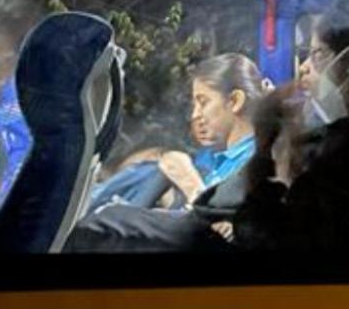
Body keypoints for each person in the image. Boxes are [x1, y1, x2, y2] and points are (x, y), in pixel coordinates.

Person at [230, 0, 349, 255]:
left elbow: (281, 242)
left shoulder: (340, 155)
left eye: (317, 55)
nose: (304, 68)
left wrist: (265, 157)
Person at [64, 54, 266, 252]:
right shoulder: (219, 158)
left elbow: (220, 224)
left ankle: (79, 215)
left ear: (235, 101)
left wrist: (191, 187)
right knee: (152, 171)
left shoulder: (257, 163)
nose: (195, 114)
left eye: (203, 102)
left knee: (102, 222)